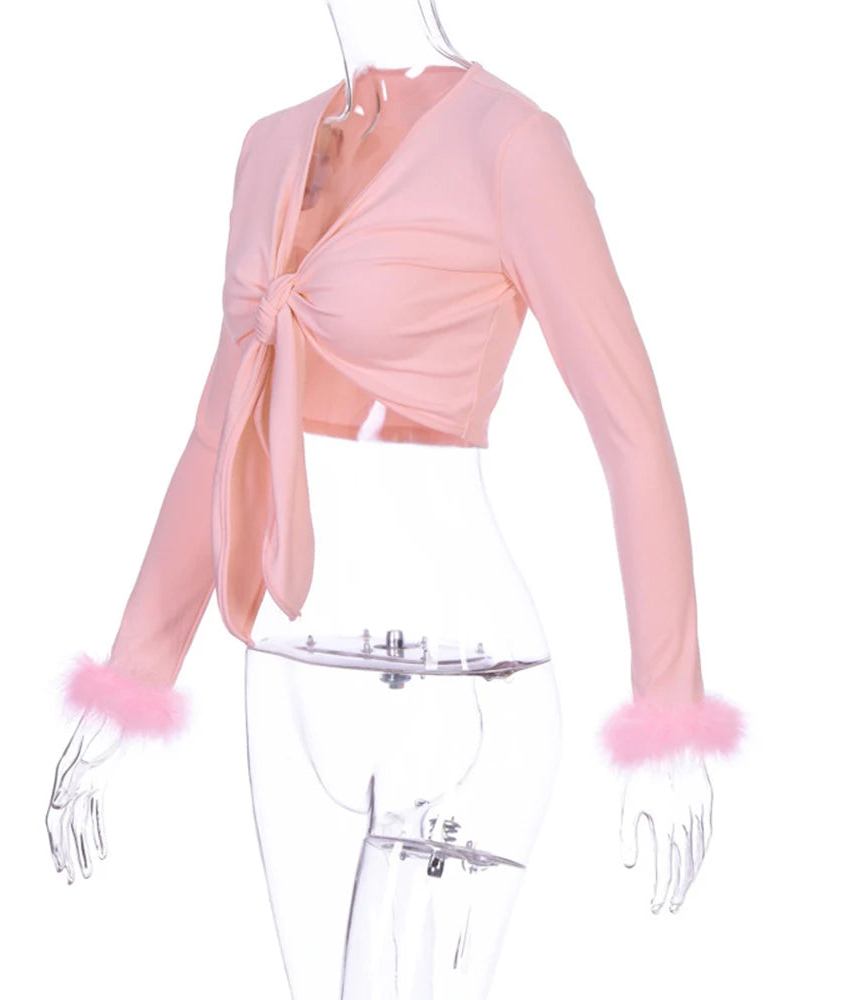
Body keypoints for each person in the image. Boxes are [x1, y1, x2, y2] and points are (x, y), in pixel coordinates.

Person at [46, 2, 745, 995]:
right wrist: (129, 678)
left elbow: (631, 432)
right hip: (290, 677)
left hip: (463, 685)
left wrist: (669, 711)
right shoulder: (268, 147)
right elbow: (218, 436)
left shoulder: (511, 146)